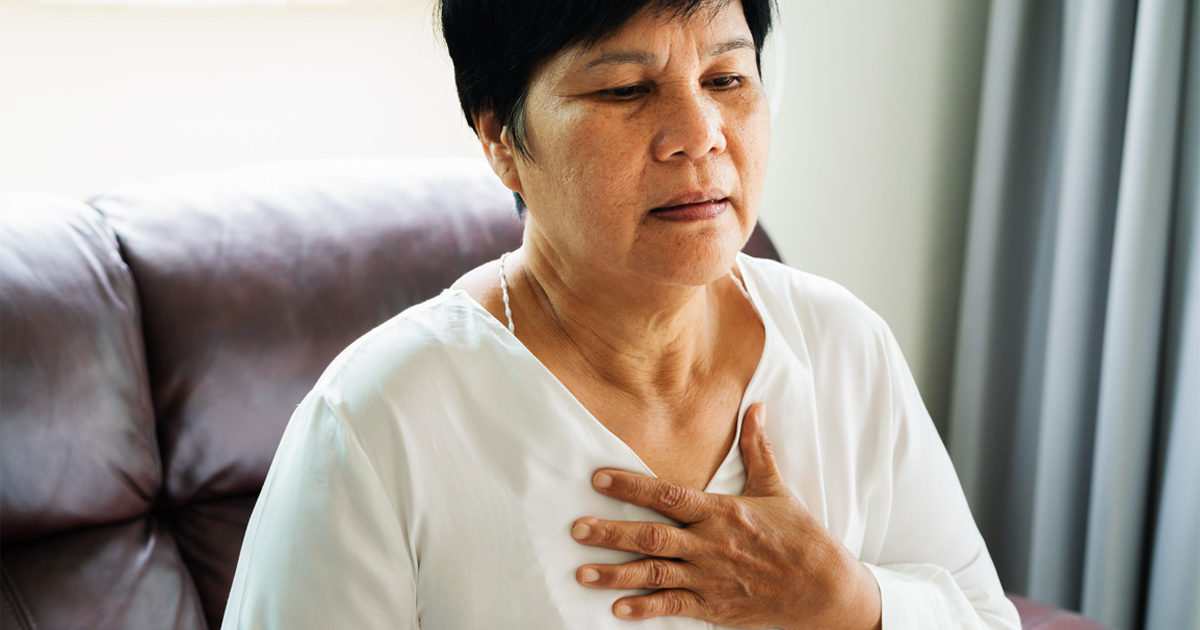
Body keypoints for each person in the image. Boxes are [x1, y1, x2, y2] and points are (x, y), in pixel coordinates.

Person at [222, 0, 1020, 628]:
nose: (699, 136)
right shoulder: (374, 421)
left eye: (726, 80)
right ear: (501, 137)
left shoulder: (842, 345)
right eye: (626, 90)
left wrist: (845, 599)